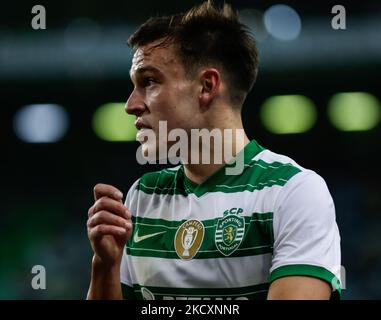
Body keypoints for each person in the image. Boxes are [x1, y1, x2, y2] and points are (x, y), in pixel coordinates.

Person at [86, 0, 341, 300]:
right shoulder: (143, 197)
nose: (131, 105)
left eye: (149, 82)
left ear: (207, 86)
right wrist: (105, 265)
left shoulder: (293, 191)